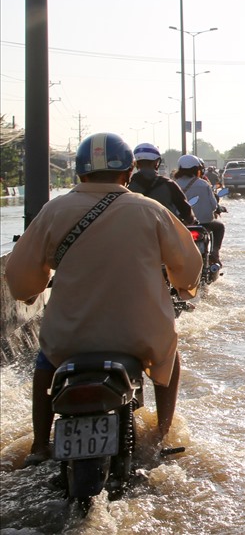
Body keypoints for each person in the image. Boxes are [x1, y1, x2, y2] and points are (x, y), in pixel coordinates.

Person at [4, 133, 203, 465]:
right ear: (127, 174)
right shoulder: (149, 210)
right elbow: (190, 264)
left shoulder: (54, 211)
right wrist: (183, 287)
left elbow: (18, 276)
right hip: (140, 338)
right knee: (170, 354)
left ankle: (40, 446)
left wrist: (29, 292)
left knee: (43, 364)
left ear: (80, 175)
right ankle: (161, 436)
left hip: (69, 338)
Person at [174, 154, 226, 266]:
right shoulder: (204, 184)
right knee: (220, 227)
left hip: (181, 224)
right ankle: (215, 253)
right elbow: (213, 206)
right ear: (197, 169)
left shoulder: (173, 184)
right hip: (204, 224)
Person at [127, 142, 196, 225]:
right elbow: (186, 212)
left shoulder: (127, 186)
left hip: (137, 233)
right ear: (156, 162)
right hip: (166, 233)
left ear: (136, 163)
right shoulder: (169, 184)